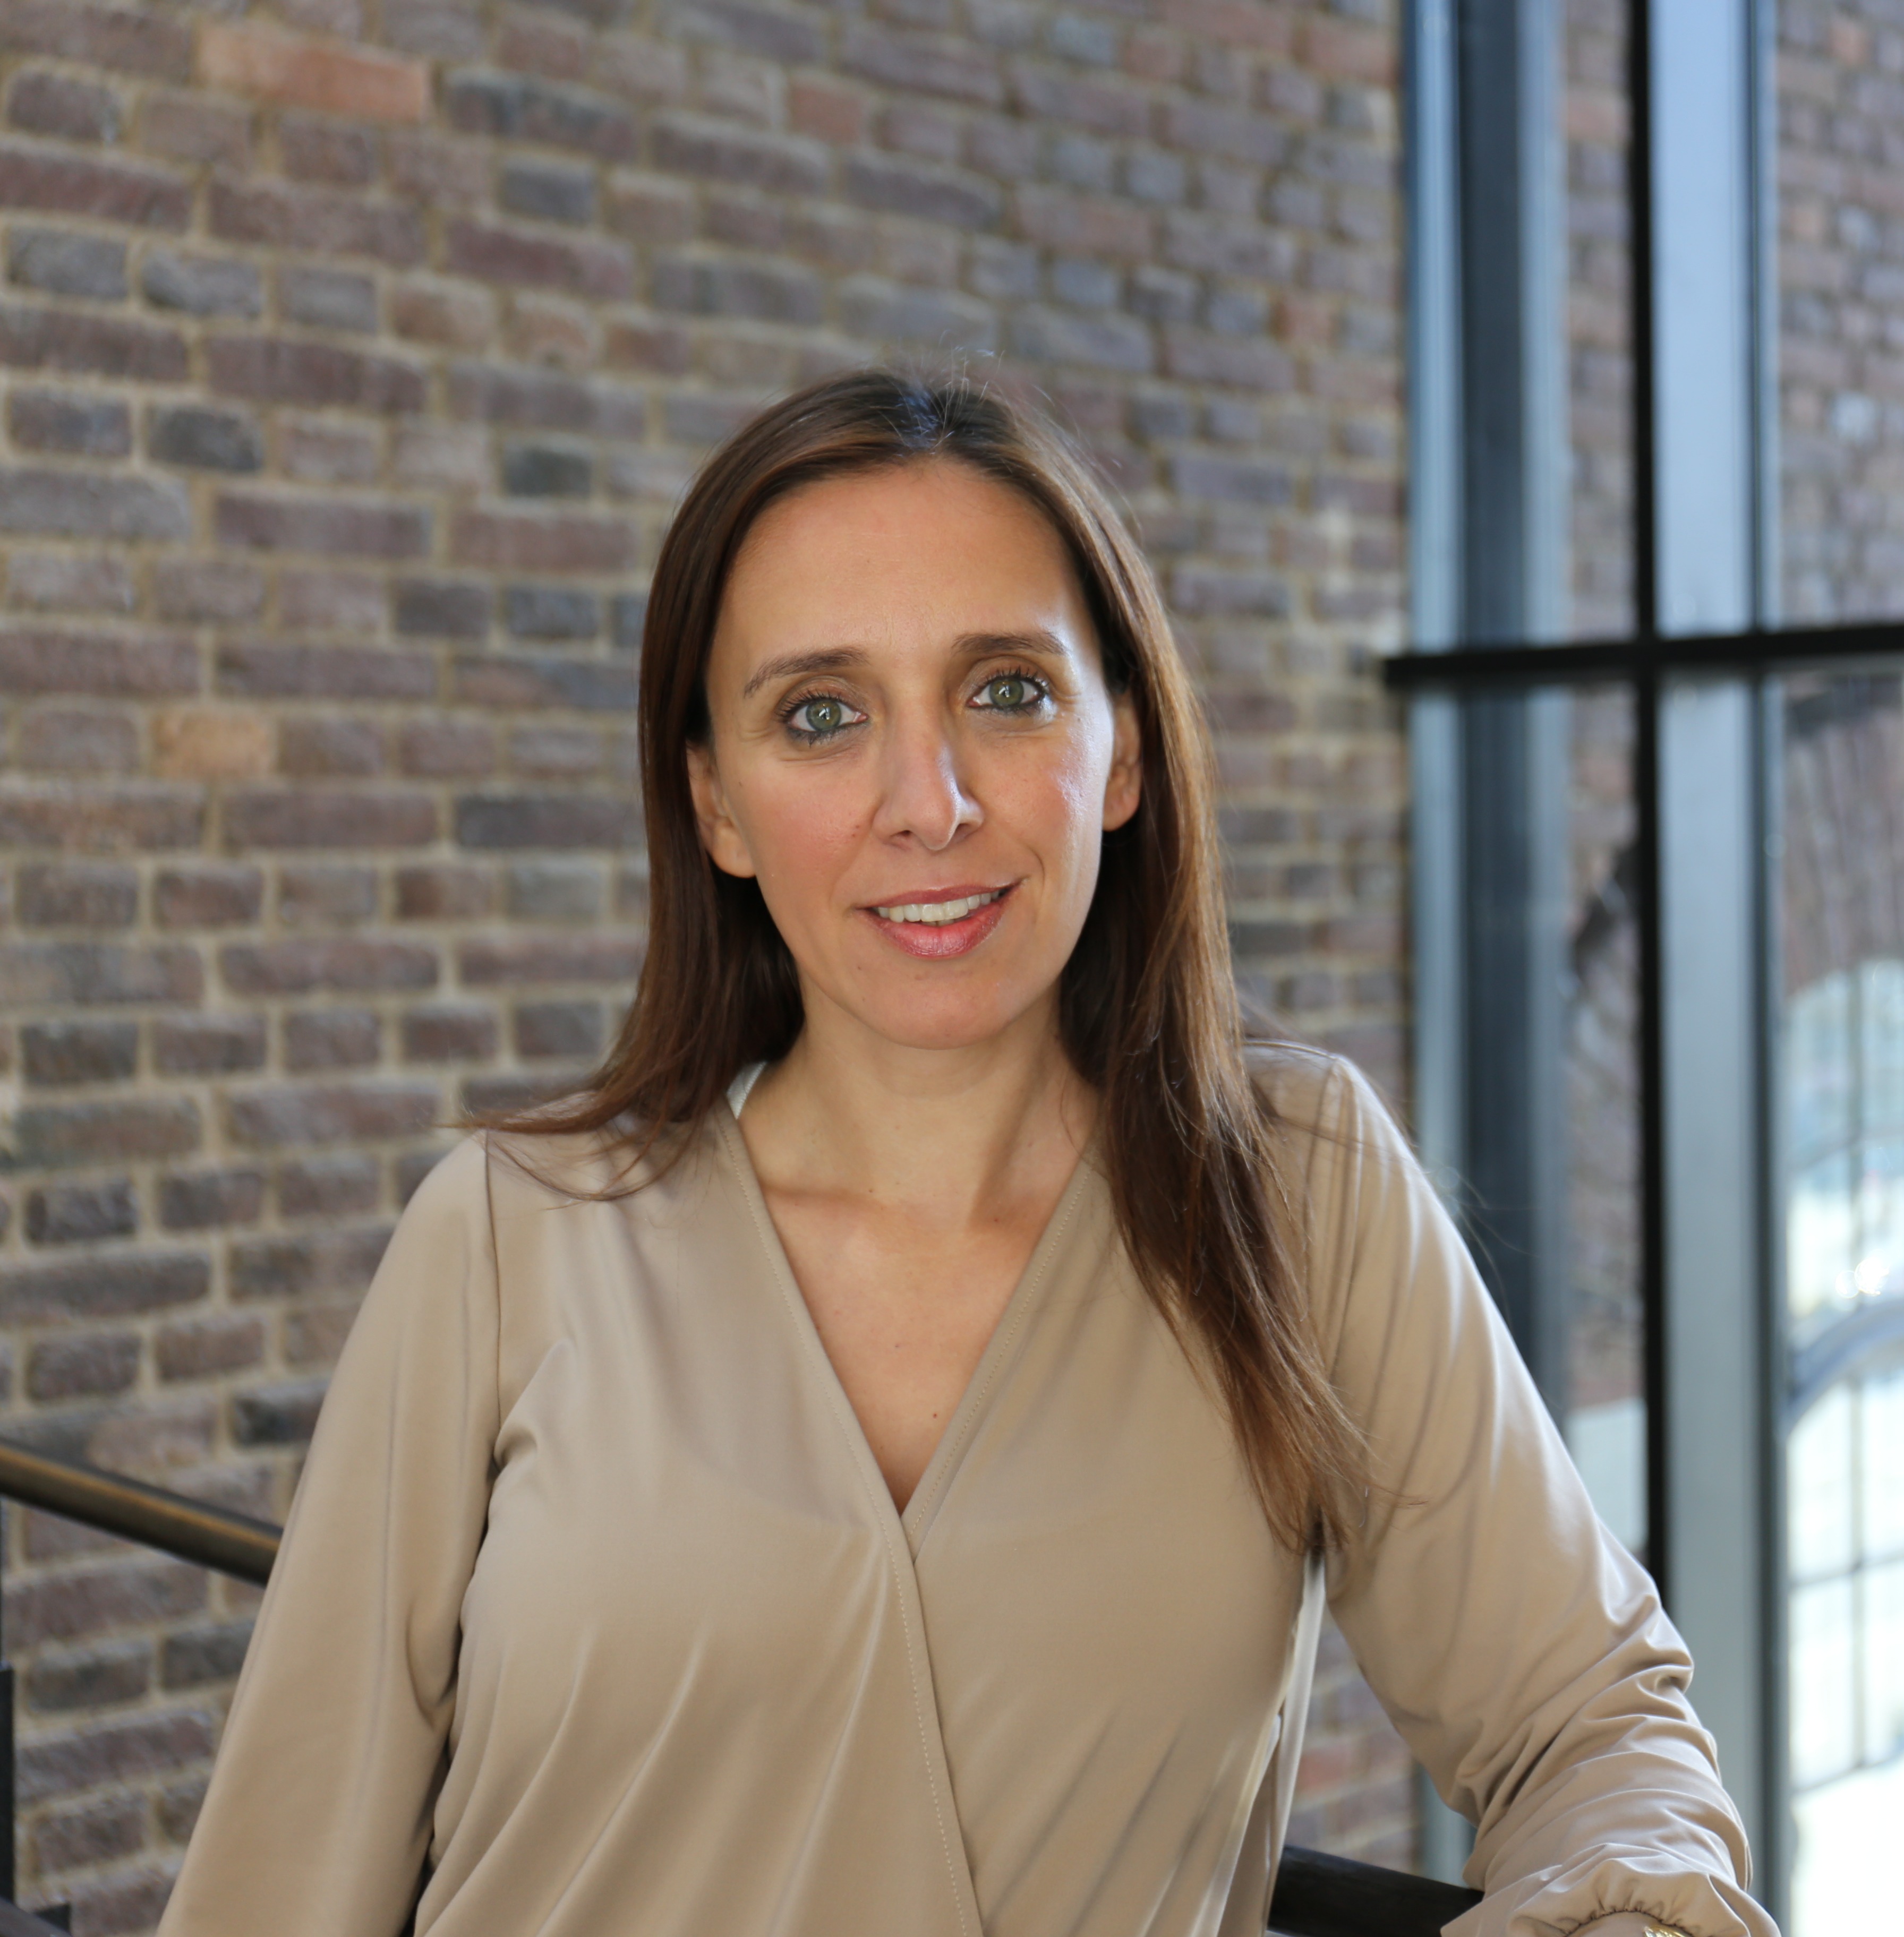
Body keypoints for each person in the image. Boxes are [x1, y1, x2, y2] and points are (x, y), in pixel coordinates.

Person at [158, 370, 1776, 1937]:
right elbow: (279, 1881)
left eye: (1006, 692)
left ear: (1122, 751)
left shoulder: (1294, 1194)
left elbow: (1592, 1724)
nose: (927, 804)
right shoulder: (509, 1238)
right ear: (715, 806)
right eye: (821, 716)